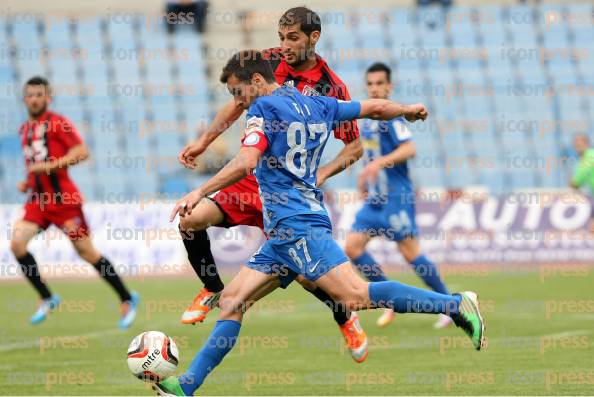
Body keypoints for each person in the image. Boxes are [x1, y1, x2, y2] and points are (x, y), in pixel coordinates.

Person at [152, 50, 485, 396]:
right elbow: (373, 107)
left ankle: (455, 305)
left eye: (238, 93)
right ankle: (186, 387)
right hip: (285, 230)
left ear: (256, 81)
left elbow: (247, 160)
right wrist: (407, 110)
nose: (238, 102)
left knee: (355, 295)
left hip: (298, 225)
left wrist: (200, 191)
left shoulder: (261, 109)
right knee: (233, 301)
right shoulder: (319, 104)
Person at [176, 7, 367, 361]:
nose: (284, 46)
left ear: (314, 37)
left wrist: (321, 174)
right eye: (281, 37)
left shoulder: (332, 88)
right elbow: (237, 104)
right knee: (190, 220)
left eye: (292, 38)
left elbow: (354, 147)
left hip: (286, 194)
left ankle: (345, 316)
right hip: (250, 179)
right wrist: (204, 141)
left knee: (308, 278)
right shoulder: (267, 62)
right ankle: (211, 288)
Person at [10, 76, 139, 328]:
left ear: (48, 98)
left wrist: (49, 167)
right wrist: (27, 182)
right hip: (37, 202)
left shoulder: (59, 123)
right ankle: (47, 297)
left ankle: (127, 298)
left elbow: (82, 152)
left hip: (64, 201)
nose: (34, 99)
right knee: (17, 244)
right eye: (30, 95)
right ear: (25, 99)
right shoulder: (24, 129)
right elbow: (34, 165)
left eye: (39, 95)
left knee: (86, 252)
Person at [344, 62, 453, 329]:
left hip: (396, 198)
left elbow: (410, 149)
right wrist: (365, 175)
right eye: (370, 84)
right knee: (352, 247)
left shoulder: (393, 116)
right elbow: (371, 155)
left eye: (380, 83)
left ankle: (450, 305)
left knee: (410, 252)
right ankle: (387, 298)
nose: (375, 88)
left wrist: (379, 164)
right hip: (376, 199)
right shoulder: (369, 120)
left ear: (389, 87)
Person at [570, 134, 594, 233]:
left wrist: (572, 182)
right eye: (576, 145)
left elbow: (575, 183)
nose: (577, 147)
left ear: (587, 144)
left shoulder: (589, 157)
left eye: (580, 144)